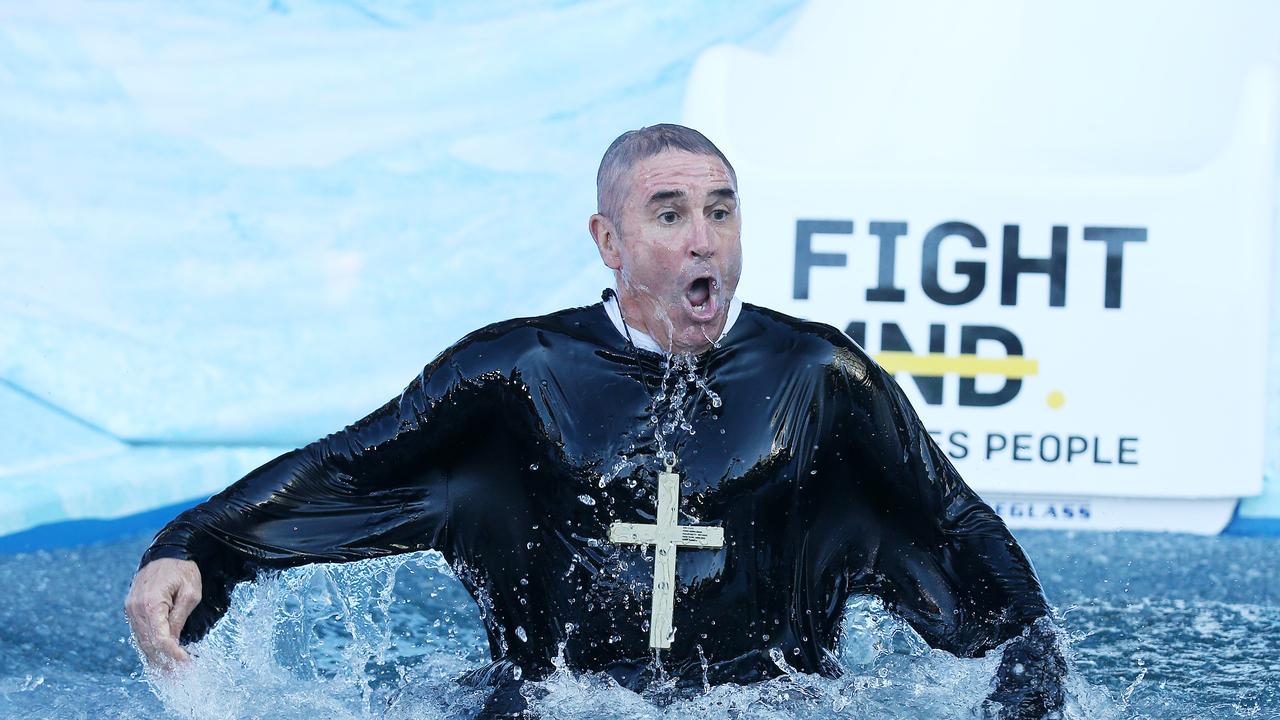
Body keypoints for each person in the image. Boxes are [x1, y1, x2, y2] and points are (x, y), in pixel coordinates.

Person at [125, 124, 1065, 718]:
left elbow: (951, 518)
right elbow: (354, 467)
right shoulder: (519, 374)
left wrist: (1033, 667)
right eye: (670, 214)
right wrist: (194, 546)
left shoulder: (815, 375)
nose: (704, 238)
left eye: (721, 211)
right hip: (548, 703)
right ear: (608, 241)